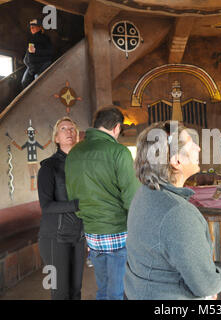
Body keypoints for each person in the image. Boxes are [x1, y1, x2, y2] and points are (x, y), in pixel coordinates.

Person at [124, 121, 221, 299]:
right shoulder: (177, 213)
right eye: (191, 143)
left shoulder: (144, 193)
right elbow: (206, 285)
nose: (198, 148)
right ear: (176, 161)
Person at [65, 106, 140, 300]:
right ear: (116, 128)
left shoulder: (74, 152)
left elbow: (72, 193)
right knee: (117, 291)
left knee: (103, 288)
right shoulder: (119, 152)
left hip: (92, 232)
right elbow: (131, 197)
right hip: (117, 230)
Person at [37, 116, 85, 300]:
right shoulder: (48, 167)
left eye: (72, 129)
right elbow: (46, 205)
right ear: (56, 138)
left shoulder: (83, 165)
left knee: (76, 291)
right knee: (60, 293)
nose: (69, 132)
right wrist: (77, 205)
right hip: (54, 238)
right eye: (64, 129)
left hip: (78, 236)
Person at [21, 18, 54, 88]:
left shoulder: (45, 39)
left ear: (39, 27)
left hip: (41, 66)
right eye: (30, 28)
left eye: (33, 27)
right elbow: (29, 53)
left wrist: (36, 51)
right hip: (31, 67)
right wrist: (26, 60)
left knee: (38, 84)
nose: (31, 29)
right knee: (24, 82)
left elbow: (50, 52)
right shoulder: (32, 39)